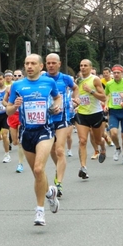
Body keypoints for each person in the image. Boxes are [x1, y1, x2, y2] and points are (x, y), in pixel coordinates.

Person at [7, 54, 61, 226]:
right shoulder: (17, 85)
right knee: (37, 173)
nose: (29, 66)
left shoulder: (49, 82)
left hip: (45, 130)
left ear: (40, 66)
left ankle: (40, 211)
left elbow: (57, 97)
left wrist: (56, 105)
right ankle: (49, 193)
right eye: (26, 63)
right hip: (26, 132)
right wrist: (14, 106)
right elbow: (8, 110)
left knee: (39, 169)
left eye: (32, 63)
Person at [44, 53, 79, 197]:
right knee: (52, 149)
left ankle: (58, 183)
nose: (51, 65)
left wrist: (75, 98)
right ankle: (58, 169)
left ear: (59, 64)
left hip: (62, 117)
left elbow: (75, 88)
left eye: (53, 63)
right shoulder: (42, 79)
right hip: (47, 118)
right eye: (48, 63)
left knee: (59, 150)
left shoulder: (66, 78)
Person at [75, 59, 107, 179]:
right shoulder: (77, 80)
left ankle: (102, 148)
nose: (83, 68)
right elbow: (75, 95)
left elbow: (103, 97)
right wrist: (75, 103)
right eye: (81, 65)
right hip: (81, 113)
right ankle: (83, 167)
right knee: (82, 141)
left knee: (98, 140)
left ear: (90, 67)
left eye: (85, 66)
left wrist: (91, 91)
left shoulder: (95, 79)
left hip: (95, 113)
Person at [104, 65, 123, 165]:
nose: (116, 75)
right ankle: (118, 148)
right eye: (114, 73)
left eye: (118, 73)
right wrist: (106, 104)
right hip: (113, 111)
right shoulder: (109, 84)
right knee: (113, 133)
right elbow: (107, 95)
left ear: (122, 74)